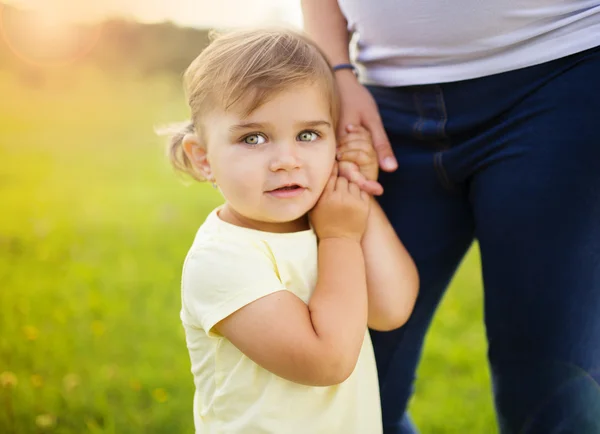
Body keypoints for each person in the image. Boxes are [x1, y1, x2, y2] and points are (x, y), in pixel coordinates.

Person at [302, 1, 600, 433]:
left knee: (551, 380)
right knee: (349, 379)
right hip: (377, 105)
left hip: (561, 79)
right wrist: (336, 71)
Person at [165, 28, 419, 433]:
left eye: (308, 135)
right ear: (203, 157)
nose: (286, 160)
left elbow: (391, 310)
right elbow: (327, 361)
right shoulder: (222, 259)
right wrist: (340, 237)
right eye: (254, 138)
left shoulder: (329, 217)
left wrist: (357, 195)